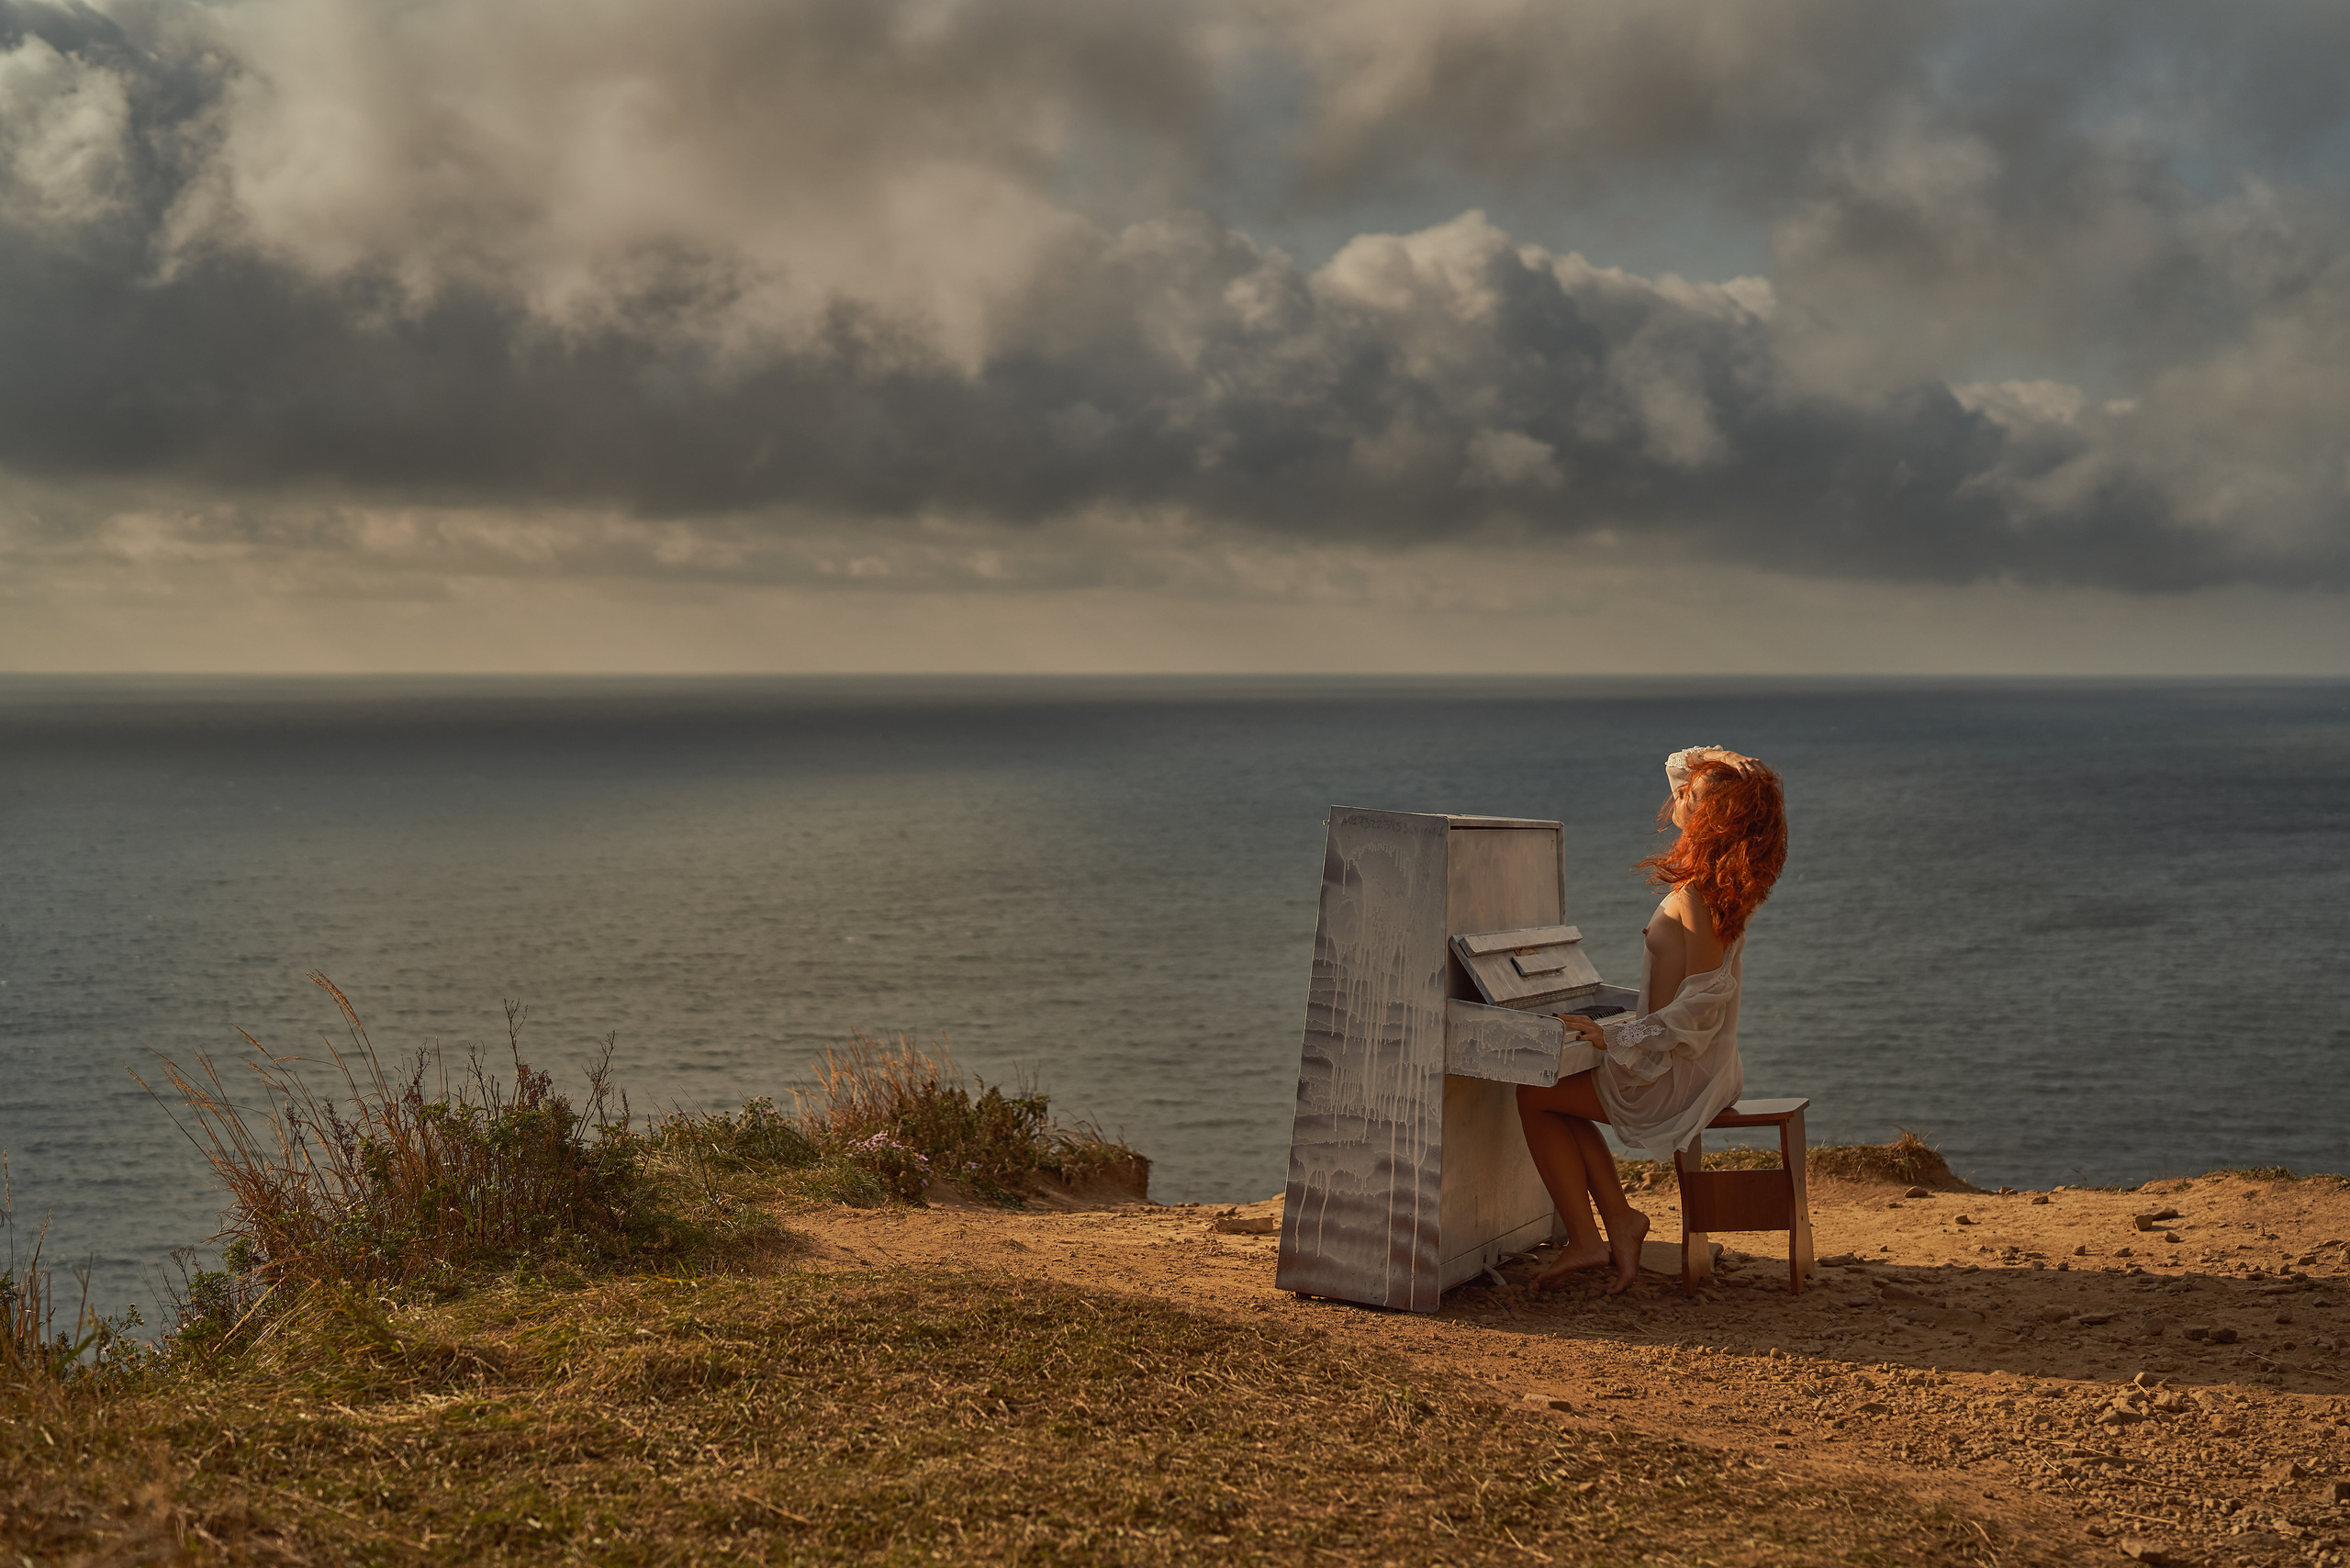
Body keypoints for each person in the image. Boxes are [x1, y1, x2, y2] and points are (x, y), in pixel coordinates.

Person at [1517, 745, 1788, 1294]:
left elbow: (1703, 1004)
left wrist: (1618, 1032)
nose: (1675, 795)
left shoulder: (1697, 896)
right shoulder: (1733, 887)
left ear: (1709, 815)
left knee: (1533, 1092)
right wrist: (1725, 762)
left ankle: (1594, 1237)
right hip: (1702, 1066)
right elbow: (1680, 764)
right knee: (1560, 1095)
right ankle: (1616, 1223)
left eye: (1686, 794)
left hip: (1675, 1074)